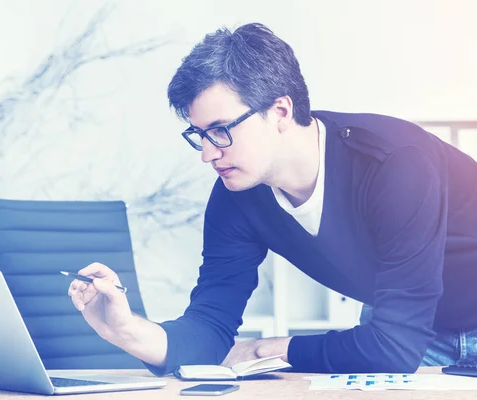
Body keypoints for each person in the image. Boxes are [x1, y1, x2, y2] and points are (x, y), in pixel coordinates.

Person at [67, 22, 477, 373]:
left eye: (221, 130)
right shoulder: (237, 194)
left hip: (402, 337)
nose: (209, 153)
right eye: (200, 136)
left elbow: (394, 347)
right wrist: (128, 330)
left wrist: (272, 349)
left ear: (280, 111)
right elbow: (210, 329)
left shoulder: (394, 162)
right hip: (399, 333)